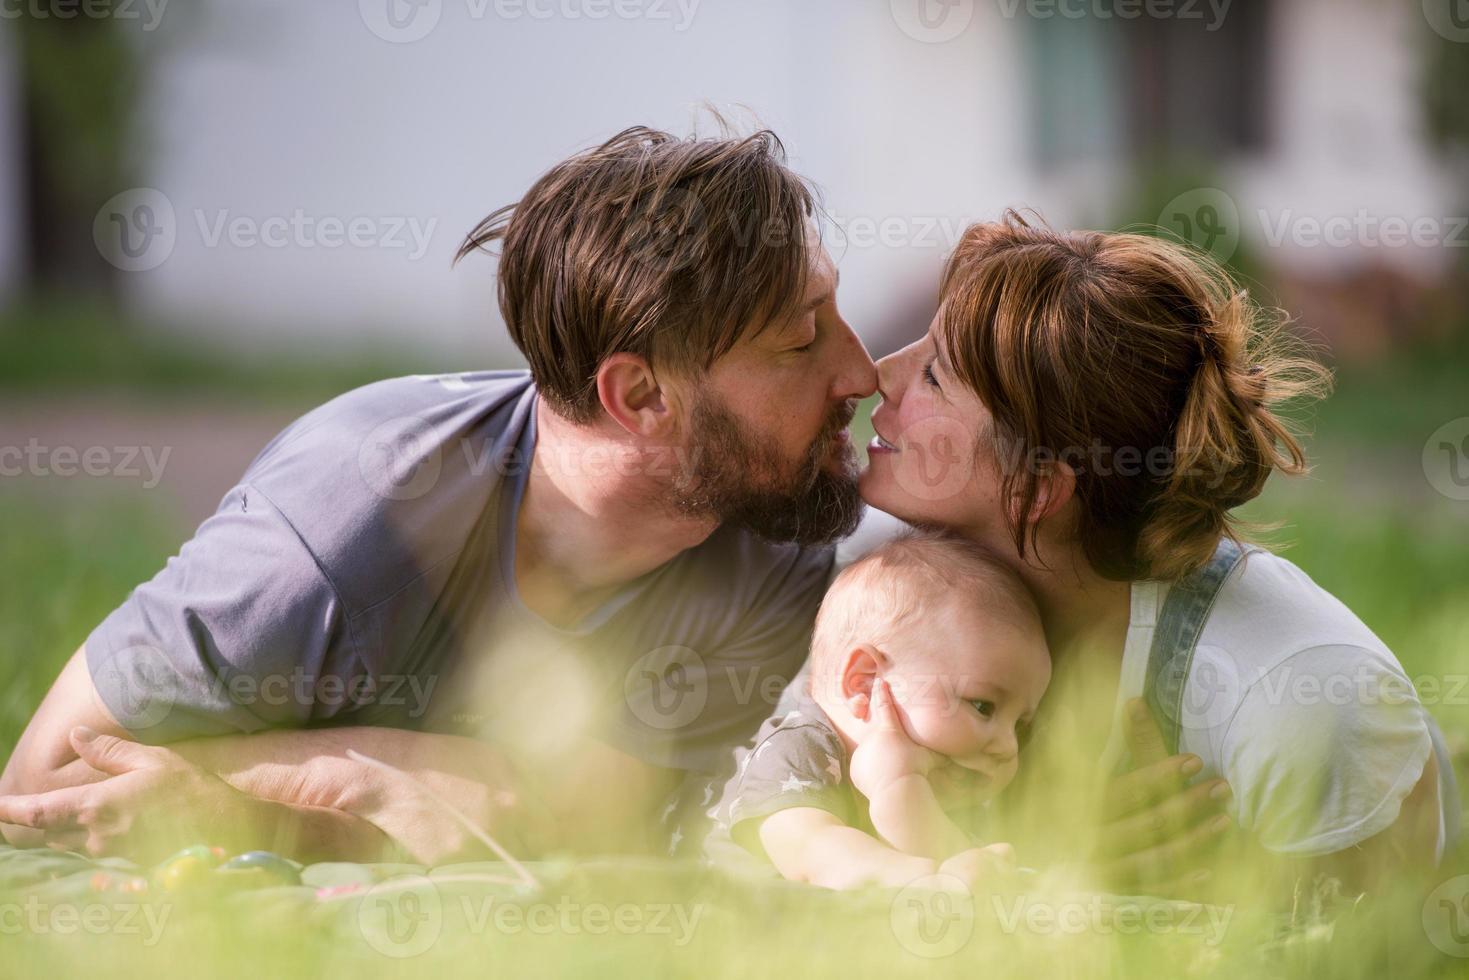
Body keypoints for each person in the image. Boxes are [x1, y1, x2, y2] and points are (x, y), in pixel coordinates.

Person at [0, 125, 878, 864]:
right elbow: (43, 786)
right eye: (802, 341)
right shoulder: (350, 515)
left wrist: (316, 788)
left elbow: (585, 822)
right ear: (640, 398)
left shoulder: (774, 542)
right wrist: (371, 781)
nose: (860, 370)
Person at [842, 211, 1454, 897]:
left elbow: (1369, 960)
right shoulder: (889, 591)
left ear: (1035, 486)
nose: (880, 374)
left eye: (933, 376)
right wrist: (1065, 881)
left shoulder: (1294, 697)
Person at [703, 530, 1049, 890]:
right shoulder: (795, 749)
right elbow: (813, 856)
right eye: (983, 706)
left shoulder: (943, 786)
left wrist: (902, 792)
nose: (1008, 747)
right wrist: (925, 876)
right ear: (864, 683)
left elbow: (963, 875)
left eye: (1020, 726)